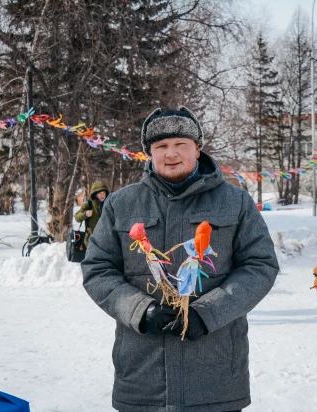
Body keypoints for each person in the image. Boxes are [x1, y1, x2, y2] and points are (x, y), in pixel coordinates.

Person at [81, 106, 279, 412]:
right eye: (161, 146)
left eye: (180, 144)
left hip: (215, 381)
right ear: (149, 153)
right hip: (142, 380)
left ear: (197, 149)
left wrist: (209, 313)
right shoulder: (122, 204)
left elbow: (260, 265)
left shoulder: (235, 202)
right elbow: (98, 269)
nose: (171, 154)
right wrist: (140, 310)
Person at [74, 181, 110, 247]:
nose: (102, 195)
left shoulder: (108, 205)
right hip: (91, 241)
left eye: (103, 193)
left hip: (106, 241)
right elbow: (77, 217)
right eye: (100, 193)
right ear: (95, 194)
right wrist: (85, 214)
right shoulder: (89, 204)